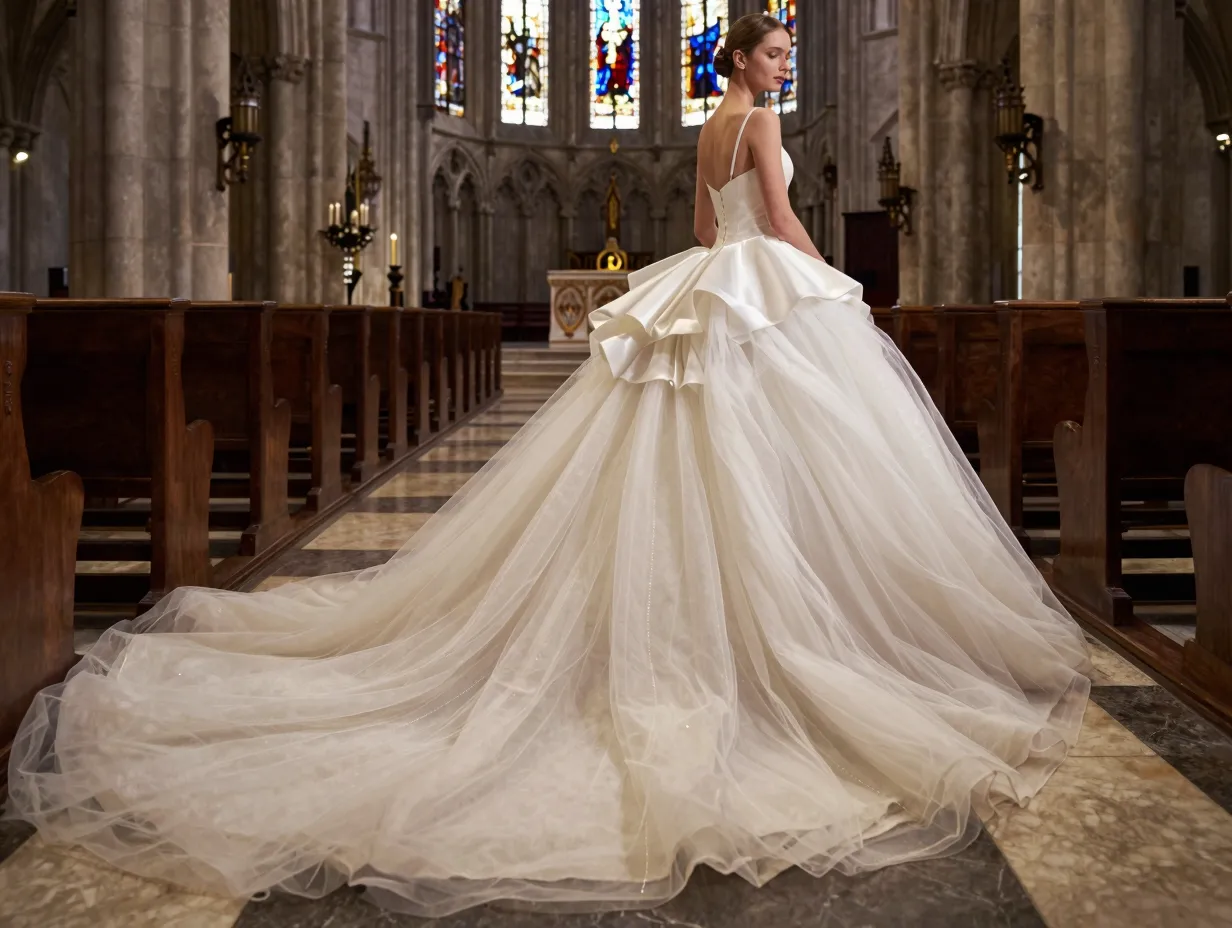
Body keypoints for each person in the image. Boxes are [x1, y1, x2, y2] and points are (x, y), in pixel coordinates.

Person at [5, 13, 1090, 920]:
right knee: (781, 468)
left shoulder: (713, 126)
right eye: (773, 53)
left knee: (717, 466)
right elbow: (785, 223)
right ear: (743, 62)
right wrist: (842, 285)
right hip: (756, 292)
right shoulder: (755, 119)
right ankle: (778, 632)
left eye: (786, 54)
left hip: (712, 284)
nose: (783, 66)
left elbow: (713, 233)